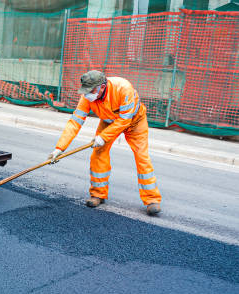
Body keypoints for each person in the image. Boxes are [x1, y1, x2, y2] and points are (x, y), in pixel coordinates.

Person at [48, 70, 162, 215]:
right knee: (98, 153)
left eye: (90, 91)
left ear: (102, 87)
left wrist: (103, 137)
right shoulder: (87, 97)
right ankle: (98, 194)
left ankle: (152, 199)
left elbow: (124, 120)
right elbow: (75, 122)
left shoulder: (123, 88)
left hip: (134, 122)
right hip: (108, 121)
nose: (87, 94)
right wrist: (59, 148)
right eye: (85, 91)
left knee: (142, 157)